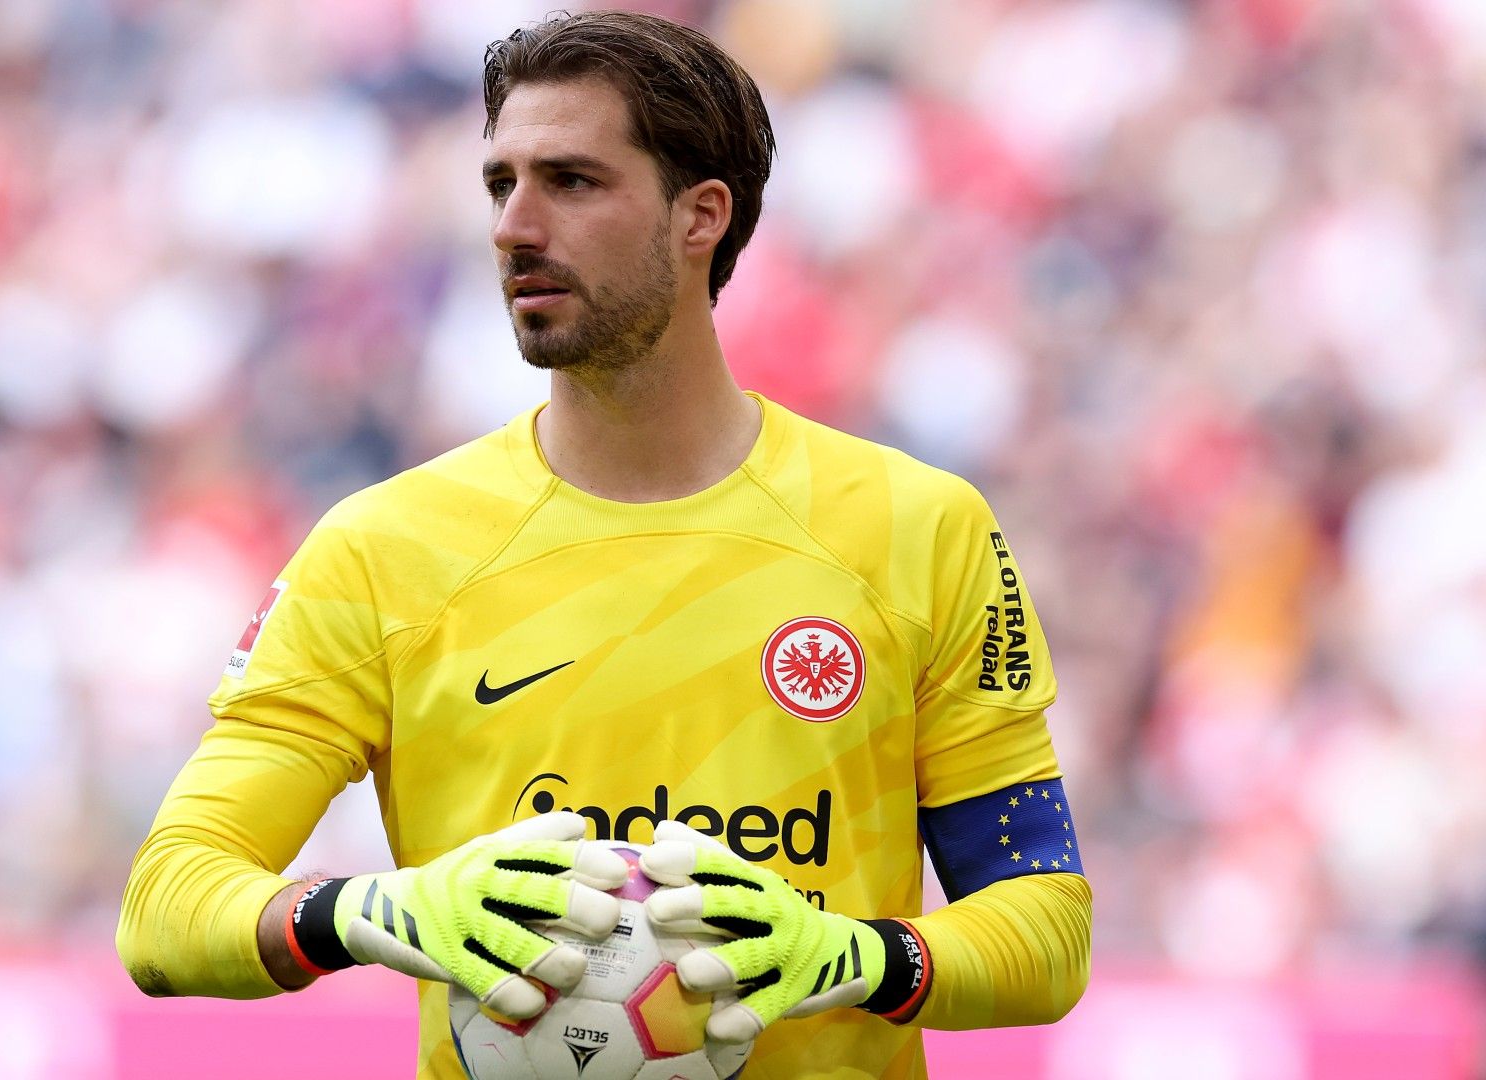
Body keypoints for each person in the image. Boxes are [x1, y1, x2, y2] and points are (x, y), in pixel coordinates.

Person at [117, 11, 1091, 1077]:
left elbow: (1045, 930)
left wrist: (857, 958)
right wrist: (370, 911)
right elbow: (166, 909)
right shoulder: (381, 548)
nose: (514, 226)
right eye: (500, 184)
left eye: (572, 181)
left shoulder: (917, 528)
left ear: (700, 217)